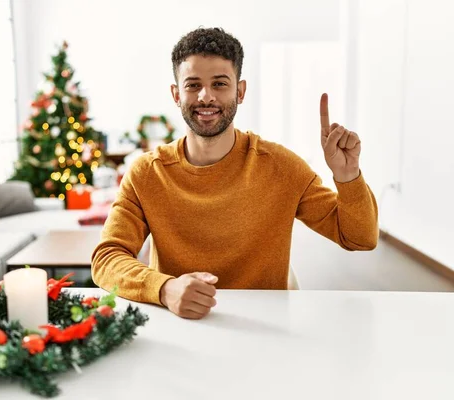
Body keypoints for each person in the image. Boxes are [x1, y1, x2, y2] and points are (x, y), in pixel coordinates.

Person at [91, 27, 378, 319]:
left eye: (219, 84)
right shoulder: (147, 173)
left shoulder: (282, 167)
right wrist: (165, 289)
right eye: (193, 85)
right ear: (176, 94)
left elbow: (359, 238)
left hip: (267, 329)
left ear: (239, 91)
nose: (206, 96)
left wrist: (348, 176)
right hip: (180, 326)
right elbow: (107, 259)